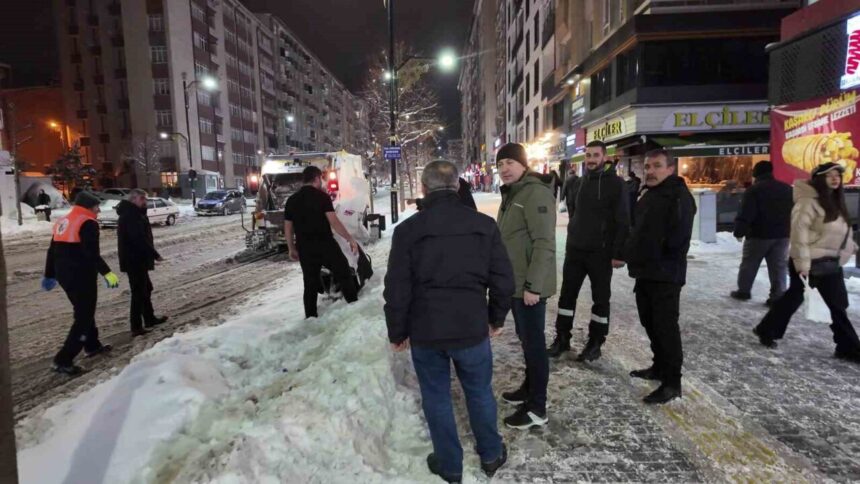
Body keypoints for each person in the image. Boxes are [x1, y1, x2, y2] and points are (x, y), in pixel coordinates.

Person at [384, 160, 513, 483]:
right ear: (457, 187)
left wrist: (397, 330)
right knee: (479, 391)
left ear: (424, 190)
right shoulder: (483, 226)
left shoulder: (408, 231)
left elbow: (397, 286)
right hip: (471, 327)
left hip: (426, 331)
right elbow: (503, 278)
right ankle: (491, 454)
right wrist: (495, 317)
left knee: (436, 395)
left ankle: (449, 464)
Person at [754, 163, 860, 363]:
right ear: (819, 179)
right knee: (794, 300)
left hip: (831, 262)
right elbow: (798, 234)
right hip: (810, 262)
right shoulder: (807, 203)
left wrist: (850, 246)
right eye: (830, 176)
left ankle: (847, 346)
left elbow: (838, 231)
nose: (835, 179)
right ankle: (767, 329)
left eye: (837, 175)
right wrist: (802, 263)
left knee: (836, 305)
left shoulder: (834, 201)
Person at [624, 149, 696, 404]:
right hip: (646, 273)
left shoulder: (678, 197)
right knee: (650, 322)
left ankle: (672, 382)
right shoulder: (651, 194)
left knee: (666, 328)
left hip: (665, 275)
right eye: (647, 166)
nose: (651, 171)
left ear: (670, 169)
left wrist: (651, 256)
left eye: (657, 166)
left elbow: (676, 240)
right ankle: (659, 366)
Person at [548, 140, 629, 361]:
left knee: (600, 299)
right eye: (588, 155)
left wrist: (619, 253)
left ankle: (595, 343)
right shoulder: (578, 182)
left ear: (604, 157)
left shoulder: (616, 184)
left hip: (600, 252)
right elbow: (574, 212)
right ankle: (562, 338)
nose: (591, 159)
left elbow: (623, 220)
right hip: (575, 249)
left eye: (595, 155)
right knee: (567, 296)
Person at [495, 143, 556, 429]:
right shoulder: (513, 194)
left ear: (523, 164)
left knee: (534, 345)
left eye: (509, 162)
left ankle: (537, 407)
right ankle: (529, 389)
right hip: (516, 284)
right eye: (500, 164)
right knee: (527, 341)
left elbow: (545, 243)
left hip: (529, 287)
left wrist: (533, 286)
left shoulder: (535, 193)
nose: (504, 169)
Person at [42, 191, 119, 375]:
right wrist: (107, 273)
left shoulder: (64, 221)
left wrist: (50, 274)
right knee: (83, 317)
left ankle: (92, 345)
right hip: (81, 276)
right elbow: (91, 253)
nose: (99, 210)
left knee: (84, 310)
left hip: (65, 276)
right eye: (96, 207)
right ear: (88, 207)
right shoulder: (88, 223)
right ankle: (63, 360)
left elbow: (52, 251)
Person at [284, 166, 359, 318]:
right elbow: (334, 222)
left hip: (305, 247)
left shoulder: (291, 200)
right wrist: (350, 239)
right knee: (343, 272)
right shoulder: (322, 197)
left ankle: (310, 317)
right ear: (317, 178)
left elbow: (288, 228)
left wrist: (291, 248)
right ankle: (353, 306)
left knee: (310, 284)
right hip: (325, 244)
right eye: (321, 179)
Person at [731, 161, 793, 306]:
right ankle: (777, 296)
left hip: (759, 234)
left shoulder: (754, 190)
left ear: (756, 174)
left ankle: (744, 291)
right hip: (782, 235)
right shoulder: (787, 189)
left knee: (749, 263)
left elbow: (746, 213)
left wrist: (739, 231)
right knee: (778, 266)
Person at [117, 189, 168, 337]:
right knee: (138, 292)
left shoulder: (136, 213)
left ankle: (149, 318)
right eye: (142, 199)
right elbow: (138, 239)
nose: (145, 202)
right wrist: (154, 254)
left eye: (145, 199)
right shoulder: (130, 215)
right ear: (133, 200)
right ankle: (136, 326)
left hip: (138, 259)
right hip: (134, 259)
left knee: (146, 288)